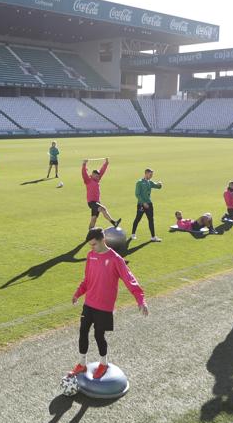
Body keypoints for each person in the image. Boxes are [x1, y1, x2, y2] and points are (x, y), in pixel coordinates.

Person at [69, 227, 148, 380]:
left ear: (103, 240)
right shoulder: (90, 255)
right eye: (90, 245)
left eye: (94, 244)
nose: (92, 248)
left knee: (99, 335)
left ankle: (103, 363)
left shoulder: (115, 259)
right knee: (83, 331)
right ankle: (82, 363)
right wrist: (78, 293)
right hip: (89, 303)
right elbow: (87, 279)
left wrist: (140, 300)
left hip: (104, 306)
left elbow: (129, 279)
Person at [82, 159, 120, 230]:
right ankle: (114, 222)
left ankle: (90, 234)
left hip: (97, 202)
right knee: (103, 209)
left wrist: (106, 163)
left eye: (98, 176)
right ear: (93, 175)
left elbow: (102, 171)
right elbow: (84, 173)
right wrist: (84, 164)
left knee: (94, 219)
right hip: (91, 202)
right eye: (96, 176)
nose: (98, 177)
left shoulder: (97, 179)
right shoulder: (88, 180)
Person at [131, 168, 163, 242]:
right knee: (138, 219)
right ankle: (133, 234)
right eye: (150, 174)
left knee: (151, 220)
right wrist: (143, 203)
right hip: (141, 204)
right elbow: (137, 194)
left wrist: (160, 184)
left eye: (152, 174)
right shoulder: (139, 182)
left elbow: (158, 187)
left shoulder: (150, 182)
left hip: (149, 204)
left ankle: (153, 237)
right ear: (146, 173)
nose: (151, 176)